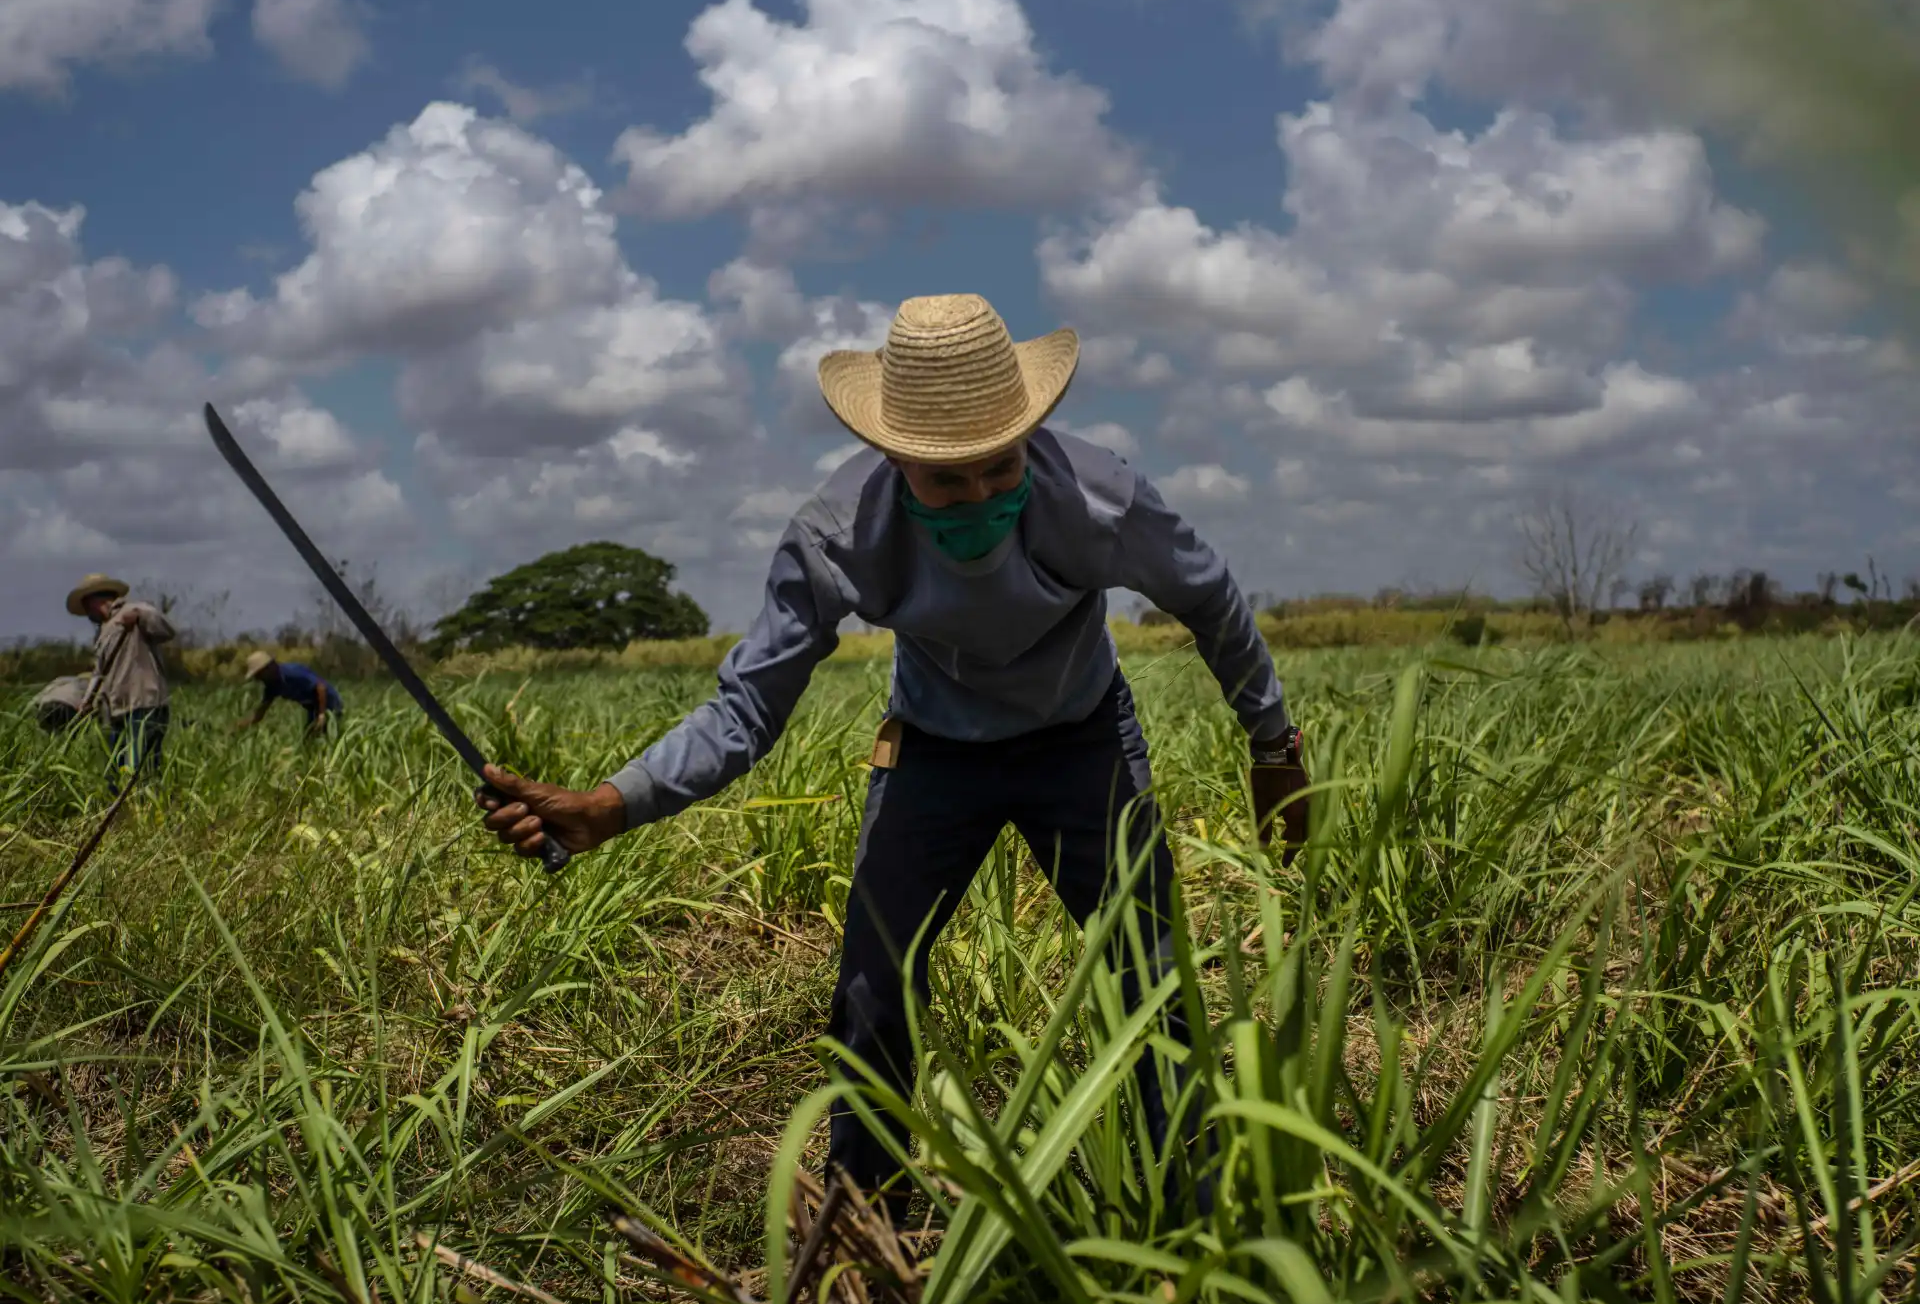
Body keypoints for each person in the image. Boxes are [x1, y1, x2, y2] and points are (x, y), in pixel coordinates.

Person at [472, 293, 1310, 1204]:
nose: (979, 496)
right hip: (936, 751)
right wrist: (614, 804)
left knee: (1149, 973)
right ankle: (864, 1223)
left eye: (1000, 467)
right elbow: (747, 709)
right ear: (895, 457)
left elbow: (1211, 600)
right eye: (946, 480)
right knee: (873, 986)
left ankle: (1187, 1212)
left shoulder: (1101, 500)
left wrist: (1274, 748)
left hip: (1082, 739)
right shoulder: (836, 537)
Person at [68, 574, 175, 782]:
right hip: (117, 709)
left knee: (141, 769)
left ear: (95, 601)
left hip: (144, 704)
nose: (88, 614)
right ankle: (119, 802)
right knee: (116, 770)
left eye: (87, 608)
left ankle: (145, 801)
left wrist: (141, 617)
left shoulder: (135, 610)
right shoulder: (103, 632)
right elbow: (99, 672)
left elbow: (167, 629)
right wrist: (87, 701)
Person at [235, 651, 343, 736]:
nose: (259, 680)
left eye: (259, 675)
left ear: (269, 668)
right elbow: (259, 714)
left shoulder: (292, 672)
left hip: (329, 703)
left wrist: (321, 714)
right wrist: (238, 726)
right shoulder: (272, 687)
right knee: (309, 742)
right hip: (313, 708)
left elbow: (320, 687)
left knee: (328, 737)